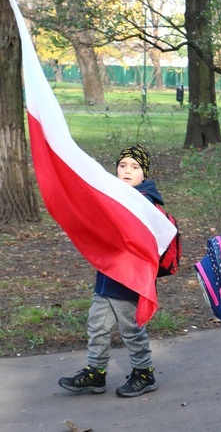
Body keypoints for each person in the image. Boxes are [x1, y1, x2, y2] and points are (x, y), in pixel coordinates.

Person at [58, 144, 163, 397]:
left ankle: (144, 373)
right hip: (106, 276)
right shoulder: (114, 194)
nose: (127, 171)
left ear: (143, 173)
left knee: (131, 329)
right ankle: (96, 373)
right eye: (123, 166)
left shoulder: (145, 202)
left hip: (129, 279)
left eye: (135, 167)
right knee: (97, 326)